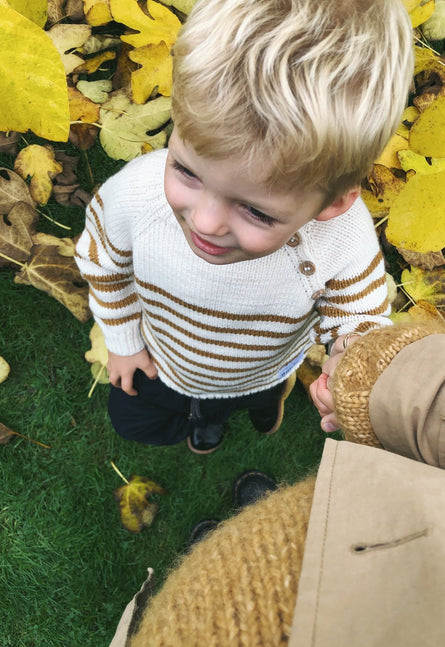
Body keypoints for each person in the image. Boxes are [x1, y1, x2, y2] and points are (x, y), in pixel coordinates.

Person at [91, 321, 445, 647]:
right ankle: (237, 544)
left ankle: (230, 548)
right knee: (247, 542)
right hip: (400, 532)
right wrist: (383, 380)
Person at [75, 0, 414, 454]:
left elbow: (360, 316)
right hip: (163, 358)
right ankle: (204, 419)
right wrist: (123, 342)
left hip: (263, 368)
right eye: (187, 171)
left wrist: (351, 358)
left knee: (246, 401)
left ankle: (260, 402)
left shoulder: (341, 240)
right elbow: (101, 263)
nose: (205, 220)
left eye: (256, 211)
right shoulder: (134, 197)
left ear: (334, 202)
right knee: (139, 418)